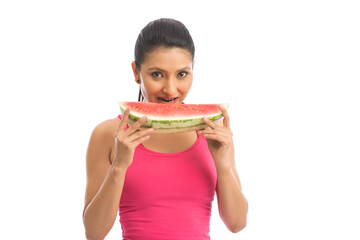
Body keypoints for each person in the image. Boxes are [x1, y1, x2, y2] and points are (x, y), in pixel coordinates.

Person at [82, 18, 248, 240]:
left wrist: (222, 162)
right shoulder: (108, 135)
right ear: (136, 72)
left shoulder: (213, 134)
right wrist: (119, 166)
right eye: (157, 74)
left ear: (193, 70)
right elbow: (94, 233)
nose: (170, 89)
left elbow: (237, 223)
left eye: (182, 74)